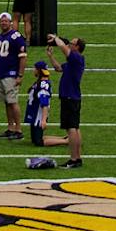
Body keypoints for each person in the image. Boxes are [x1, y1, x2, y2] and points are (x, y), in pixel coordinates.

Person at [45, 32, 86, 165]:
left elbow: (63, 47)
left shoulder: (75, 58)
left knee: (71, 129)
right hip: (72, 97)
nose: (69, 45)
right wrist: (51, 57)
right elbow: (58, 68)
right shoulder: (73, 61)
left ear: (77, 47)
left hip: (70, 97)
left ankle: (74, 159)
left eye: (72, 44)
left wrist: (56, 38)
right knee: (75, 127)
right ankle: (77, 157)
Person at [0, 12, 28, 140]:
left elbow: (23, 57)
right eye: (2, 21)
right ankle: (10, 128)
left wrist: (20, 75)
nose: (3, 23)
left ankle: (18, 129)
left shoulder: (16, 37)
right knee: (7, 102)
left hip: (11, 74)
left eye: (6, 21)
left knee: (13, 101)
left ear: (10, 22)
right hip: (1, 73)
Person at [24, 58, 55, 151]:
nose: (34, 70)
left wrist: (44, 120)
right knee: (35, 140)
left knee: (38, 142)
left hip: (38, 116)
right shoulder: (40, 82)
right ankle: (65, 138)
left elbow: (44, 103)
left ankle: (66, 141)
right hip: (34, 114)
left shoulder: (42, 85)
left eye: (35, 69)